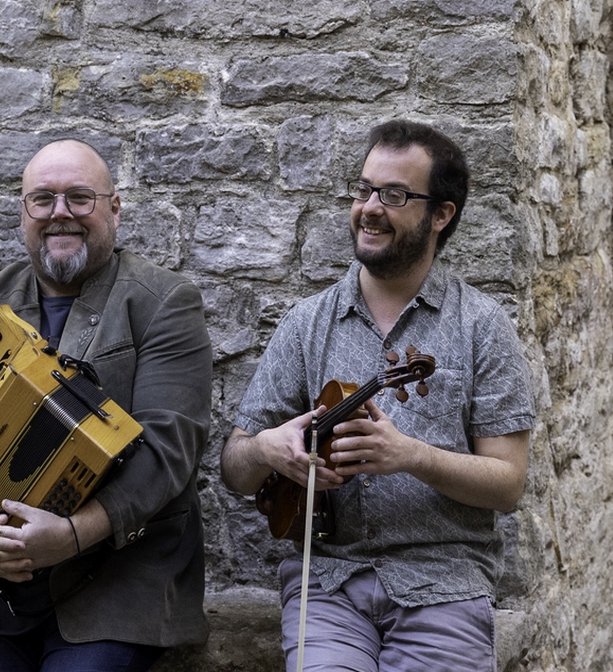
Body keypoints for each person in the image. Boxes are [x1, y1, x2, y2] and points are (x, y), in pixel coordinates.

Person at [220, 120, 534, 672]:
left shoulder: (482, 326)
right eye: (363, 189)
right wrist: (268, 449)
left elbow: (507, 485)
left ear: (441, 215)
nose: (368, 207)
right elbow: (235, 470)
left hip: (443, 584)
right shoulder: (306, 324)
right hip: (327, 582)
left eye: (393, 195)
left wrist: (410, 456)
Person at [0, 138, 213, 672]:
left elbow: (168, 448)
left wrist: (72, 535)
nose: (60, 214)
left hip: (120, 579)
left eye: (80, 198)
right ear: (23, 213)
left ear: (114, 209)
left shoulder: (163, 300)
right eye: (42, 200)